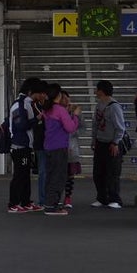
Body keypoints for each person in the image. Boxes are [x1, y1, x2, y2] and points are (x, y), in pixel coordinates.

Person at [42, 84, 80, 215]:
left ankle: (49, 203)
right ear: (58, 95)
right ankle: (52, 207)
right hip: (59, 147)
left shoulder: (47, 109)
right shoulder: (59, 109)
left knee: (51, 176)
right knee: (59, 177)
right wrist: (75, 116)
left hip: (49, 146)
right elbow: (70, 128)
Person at [7, 77, 43, 213]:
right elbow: (21, 125)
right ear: (30, 91)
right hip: (19, 146)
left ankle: (25, 202)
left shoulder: (27, 103)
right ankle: (13, 203)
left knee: (25, 175)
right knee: (19, 175)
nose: (39, 96)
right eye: (38, 93)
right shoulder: (19, 105)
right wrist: (36, 119)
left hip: (26, 145)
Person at [91, 80, 126, 208]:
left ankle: (115, 199)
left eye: (97, 89)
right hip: (100, 142)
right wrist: (94, 139)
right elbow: (95, 124)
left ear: (101, 91)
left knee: (112, 172)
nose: (95, 91)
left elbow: (120, 127)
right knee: (98, 172)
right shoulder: (99, 104)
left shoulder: (114, 106)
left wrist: (115, 142)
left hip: (112, 144)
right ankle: (101, 198)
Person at [61, 90, 85, 208]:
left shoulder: (75, 111)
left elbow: (82, 127)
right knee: (59, 174)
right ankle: (57, 197)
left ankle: (68, 197)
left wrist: (74, 131)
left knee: (70, 175)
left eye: (67, 98)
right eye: (63, 98)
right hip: (59, 146)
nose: (66, 100)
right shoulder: (58, 111)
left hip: (72, 146)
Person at [30, 80, 49, 206]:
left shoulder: (48, 106)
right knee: (43, 171)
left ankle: (49, 198)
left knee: (48, 171)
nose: (43, 95)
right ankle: (43, 200)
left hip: (50, 142)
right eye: (41, 93)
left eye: (44, 93)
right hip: (40, 142)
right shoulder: (33, 106)